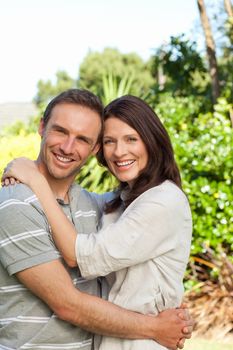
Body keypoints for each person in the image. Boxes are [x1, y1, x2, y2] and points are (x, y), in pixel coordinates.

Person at [1, 93, 193, 350]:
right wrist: (157, 326)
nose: (68, 147)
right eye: (110, 141)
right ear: (42, 127)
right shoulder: (16, 204)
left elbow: (85, 256)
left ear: (93, 149)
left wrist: (35, 180)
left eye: (82, 139)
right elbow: (67, 304)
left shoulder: (102, 205)